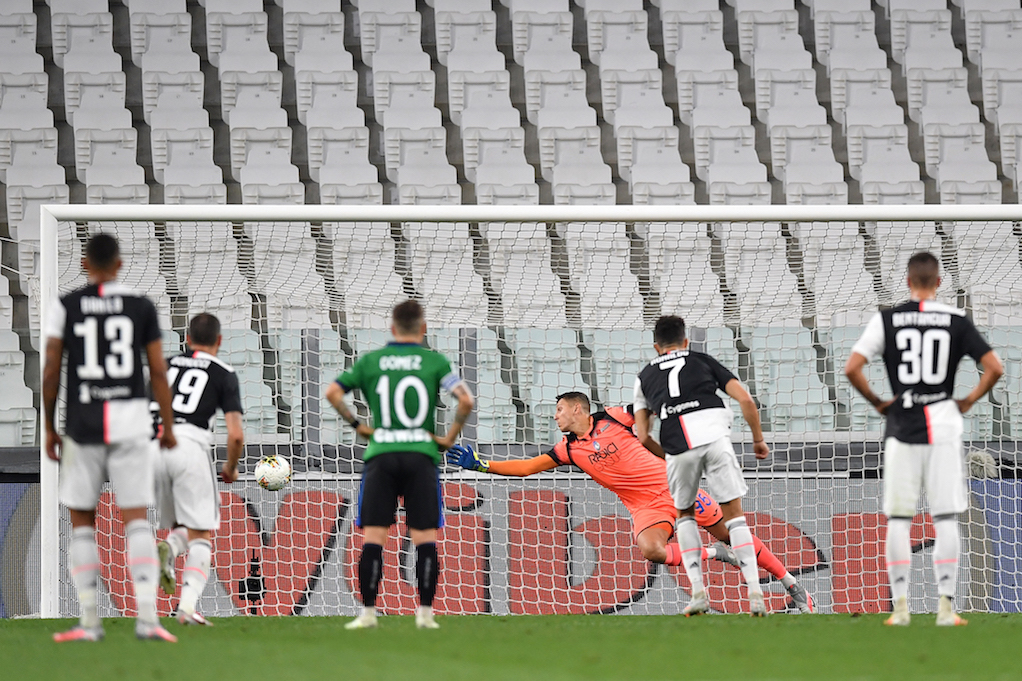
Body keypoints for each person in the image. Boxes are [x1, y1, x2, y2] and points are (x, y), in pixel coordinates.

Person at [448, 392, 814, 614]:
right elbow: (528, 467)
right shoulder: (569, 449)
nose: (556, 415)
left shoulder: (614, 417)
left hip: (678, 490)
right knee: (651, 551)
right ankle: (713, 555)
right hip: (647, 509)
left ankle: (793, 586)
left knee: (735, 534)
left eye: (560, 409)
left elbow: (648, 408)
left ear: (578, 409)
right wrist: (481, 463)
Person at [844, 251, 1002, 627]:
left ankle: (900, 609)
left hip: (902, 426)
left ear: (908, 280)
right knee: (945, 516)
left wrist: (880, 403)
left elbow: (852, 367)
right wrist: (967, 399)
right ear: (939, 282)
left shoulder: (888, 319)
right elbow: (994, 367)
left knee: (899, 518)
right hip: (944, 424)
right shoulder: (956, 319)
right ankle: (946, 608)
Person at [43, 233, 178, 642]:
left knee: (83, 522)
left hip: (83, 425)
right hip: (132, 423)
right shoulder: (141, 307)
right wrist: (168, 425)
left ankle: (89, 623)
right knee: (136, 519)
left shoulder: (65, 306)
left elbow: (50, 369)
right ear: (120, 264)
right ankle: (149, 620)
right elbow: (157, 370)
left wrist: (49, 426)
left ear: (85, 264)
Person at [325, 300, 474, 630]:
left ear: (392, 329)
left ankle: (367, 613)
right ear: (422, 329)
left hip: (381, 453)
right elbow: (466, 399)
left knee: (374, 537)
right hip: (421, 455)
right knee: (424, 537)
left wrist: (357, 425)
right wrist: (448, 437)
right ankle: (425, 614)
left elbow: (333, 392)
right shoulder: (434, 361)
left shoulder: (372, 360)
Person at [633, 315, 771, 616]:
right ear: (685, 341)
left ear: (657, 347)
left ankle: (698, 594)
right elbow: (746, 400)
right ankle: (756, 595)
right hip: (714, 439)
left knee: (684, 517)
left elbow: (641, 435)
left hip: (676, 445)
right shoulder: (702, 360)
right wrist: (758, 440)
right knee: (735, 520)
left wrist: (668, 456)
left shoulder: (643, 376)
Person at [154, 313, 245, 626]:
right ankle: (187, 608)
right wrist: (230, 467)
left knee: (184, 525)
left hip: (153, 446)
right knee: (202, 534)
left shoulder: (164, 365)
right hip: (189, 445)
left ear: (187, 339)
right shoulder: (223, 372)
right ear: (219, 341)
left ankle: (169, 546)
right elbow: (235, 434)